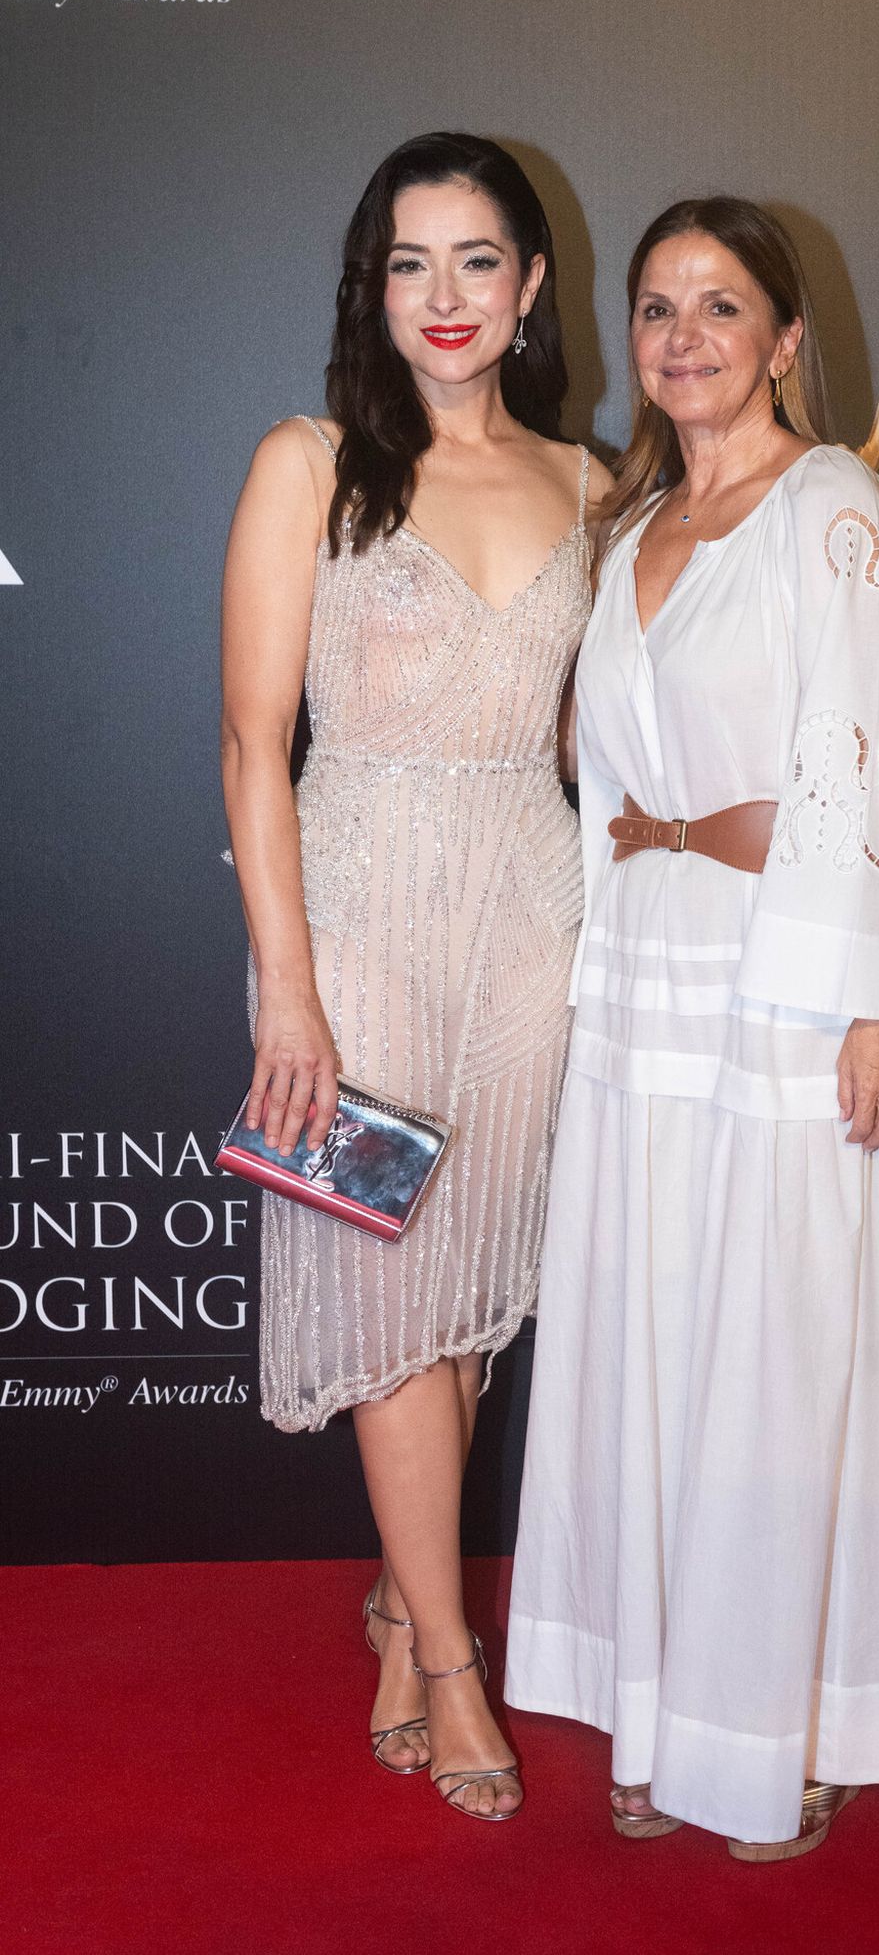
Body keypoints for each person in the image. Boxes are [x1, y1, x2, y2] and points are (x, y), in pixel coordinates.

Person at [505, 197, 879, 1859]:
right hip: (642, 978)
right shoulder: (633, 518)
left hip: (784, 978)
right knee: (659, 1342)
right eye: (657, 307)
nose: (683, 336)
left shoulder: (834, 504)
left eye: (722, 307)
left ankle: (790, 1725)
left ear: (787, 339)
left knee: (780, 1356)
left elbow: (874, 761)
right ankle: (670, 1711)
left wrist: (877, 1011)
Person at [222, 131, 603, 1821]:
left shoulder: (595, 485)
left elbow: (599, 745)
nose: (444, 297)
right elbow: (252, 745)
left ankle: (401, 1597)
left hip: (531, 919)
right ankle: (451, 1662)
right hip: (356, 926)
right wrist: (287, 988)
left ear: (531, 286)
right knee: (386, 1293)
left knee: (469, 1293)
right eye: (409, 263)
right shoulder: (309, 463)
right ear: (370, 289)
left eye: (477, 261)